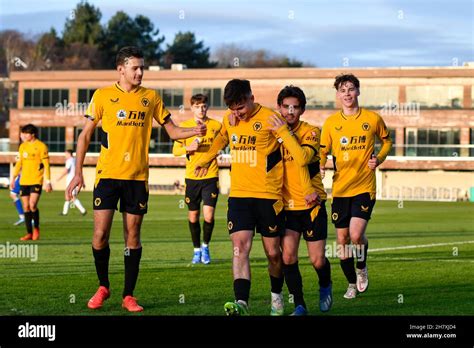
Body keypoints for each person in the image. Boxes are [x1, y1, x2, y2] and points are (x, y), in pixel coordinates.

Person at [66, 46, 206, 313]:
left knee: (133, 236)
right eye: (135, 68)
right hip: (107, 176)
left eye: (142, 67)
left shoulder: (151, 97)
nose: (141, 72)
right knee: (100, 235)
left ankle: (128, 295)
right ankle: (103, 285)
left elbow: (173, 131)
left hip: (137, 178)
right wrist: (78, 172)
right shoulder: (103, 96)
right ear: (121, 69)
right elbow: (84, 136)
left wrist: (193, 130)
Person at [195, 79, 288, 316]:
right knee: (239, 247)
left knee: (273, 254)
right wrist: (205, 160)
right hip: (239, 196)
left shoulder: (270, 118)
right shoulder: (229, 119)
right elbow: (221, 139)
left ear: (251, 98)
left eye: (241, 107)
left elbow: (288, 147)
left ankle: (277, 296)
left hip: (268, 196)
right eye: (233, 109)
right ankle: (242, 303)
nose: (237, 113)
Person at [319, 74, 392, 299]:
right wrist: (321, 165)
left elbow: (387, 141)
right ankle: (351, 282)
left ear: (358, 91)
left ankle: (361, 266)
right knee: (342, 241)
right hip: (340, 189)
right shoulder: (331, 123)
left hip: (364, 187)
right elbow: (322, 150)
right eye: (343, 90)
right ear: (338, 95)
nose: (347, 94)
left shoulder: (372, 118)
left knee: (356, 234)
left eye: (351, 89)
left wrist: (378, 159)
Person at [268, 85, 332, 315]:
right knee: (287, 257)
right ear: (279, 107)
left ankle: (325, 283)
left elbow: (303, 157)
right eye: (286, 107)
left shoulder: (312, 131)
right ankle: (300, 305)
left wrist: (284, 133)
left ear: (302, 110)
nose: (290, 112)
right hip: (286, 206)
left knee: (317, 260)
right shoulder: (273, 132)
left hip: (311, 205)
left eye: (295, 107)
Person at [172, 94, 222, 264]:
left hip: (210, 176)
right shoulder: (185, 127)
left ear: (207, 107)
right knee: (193, 216)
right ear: (191, 108)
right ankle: (196, 250)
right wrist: (188, 147)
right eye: (197, 106)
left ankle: (206, 247)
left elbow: (223, 143)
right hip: (192, 178)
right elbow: (175, 151)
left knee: (208, 216)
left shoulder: (216, 126)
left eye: (204, 106)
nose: (201, 109)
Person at [11, 124, 52, 241]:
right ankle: (29, 233)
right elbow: (18, 164)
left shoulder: (41, 146)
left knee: (33, 204)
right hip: (24, 181)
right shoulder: (22, 146)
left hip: (36, 180)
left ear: (32, 134)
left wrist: (48, 182)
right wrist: (13, 179)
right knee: (26, 206)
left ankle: (36, 229)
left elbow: (46, 165)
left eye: (26, 133)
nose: (24, 135)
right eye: (23, 133)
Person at [56, 149, 86, 216]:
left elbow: (66, 170)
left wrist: (59, 178)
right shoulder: (75, 160)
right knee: (69, 196)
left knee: (71, 196)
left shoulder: (69, 161)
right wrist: (83, 181)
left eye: (66, 154)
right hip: (75, 180)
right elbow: (80, 171)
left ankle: (83, 210)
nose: (65, 155)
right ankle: (65, 212)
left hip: (71, 181)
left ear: (69, 154)